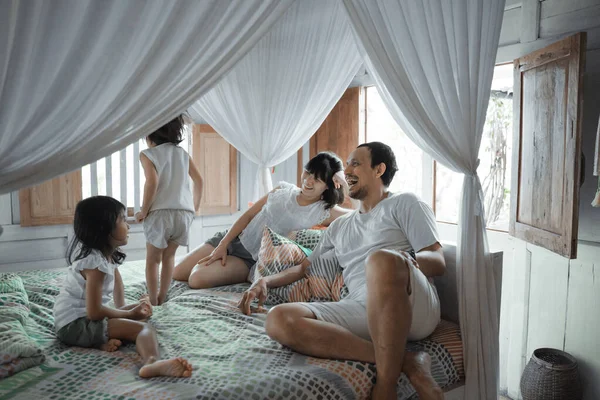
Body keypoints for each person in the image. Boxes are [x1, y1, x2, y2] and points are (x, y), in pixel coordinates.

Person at [238, 142, 445, 400]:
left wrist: (404, 260)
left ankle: (386, 386)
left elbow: (437, 259)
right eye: (346, 164)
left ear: (379, 169)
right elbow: (304, 268)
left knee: (381, 260)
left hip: (413, 305)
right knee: (279, 319)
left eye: (355, 163)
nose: (346, 170)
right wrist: (265, 281)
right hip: (363, 308)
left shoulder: (405, 203)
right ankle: (408, 361)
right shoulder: (340, 226)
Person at [53, 196, 193, 378]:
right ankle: (152, 363)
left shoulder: (106, 257)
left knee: (138, 317)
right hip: (74, 326)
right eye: (123, 220)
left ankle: (99, 341)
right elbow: (94, 312)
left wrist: (129, 309)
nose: (128, 226)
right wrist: (128, 315)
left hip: (79, 319)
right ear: (104, 227)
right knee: (144, 329)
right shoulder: (95, 265)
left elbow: (117, 289)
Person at [173, 152, 351, 289]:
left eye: (317, 179)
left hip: (250, 258)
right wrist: (223, 244)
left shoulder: (324, 211)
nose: (308, 181)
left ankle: (236, 274)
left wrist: (344, 181)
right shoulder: (283, 189)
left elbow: (363, 213)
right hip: (230, 238)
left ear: (328, 185)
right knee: (177, 272)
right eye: (308, 172)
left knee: (196, 279)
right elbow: (248, 215)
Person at [135, 114, 203, 305]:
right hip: (184, 214)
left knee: (153, 261)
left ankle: (153, 299)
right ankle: (163, 296)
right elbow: (199, 181)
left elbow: (152, 182)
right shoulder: (182, 154)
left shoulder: (147, 154)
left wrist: (143, 211)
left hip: (160, 213)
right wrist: (194, 208)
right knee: (169, 257)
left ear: (149, 136)